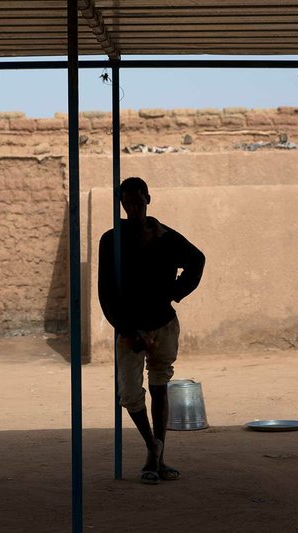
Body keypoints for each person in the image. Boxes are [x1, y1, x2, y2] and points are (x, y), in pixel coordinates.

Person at [98, 177, 205, 485]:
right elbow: (106, 292)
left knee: (159, 385)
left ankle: (156, 458)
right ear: (122, 204)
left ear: (148, 199)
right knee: (130, 394)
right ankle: (152, 444)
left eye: (138, 202)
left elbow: (197, 260)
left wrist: (175, 292)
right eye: (127, 203)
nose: (133, 208)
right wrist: (128, 330)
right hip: (130, 329)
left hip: (163, 324)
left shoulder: (166, 237)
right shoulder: (112, 240)